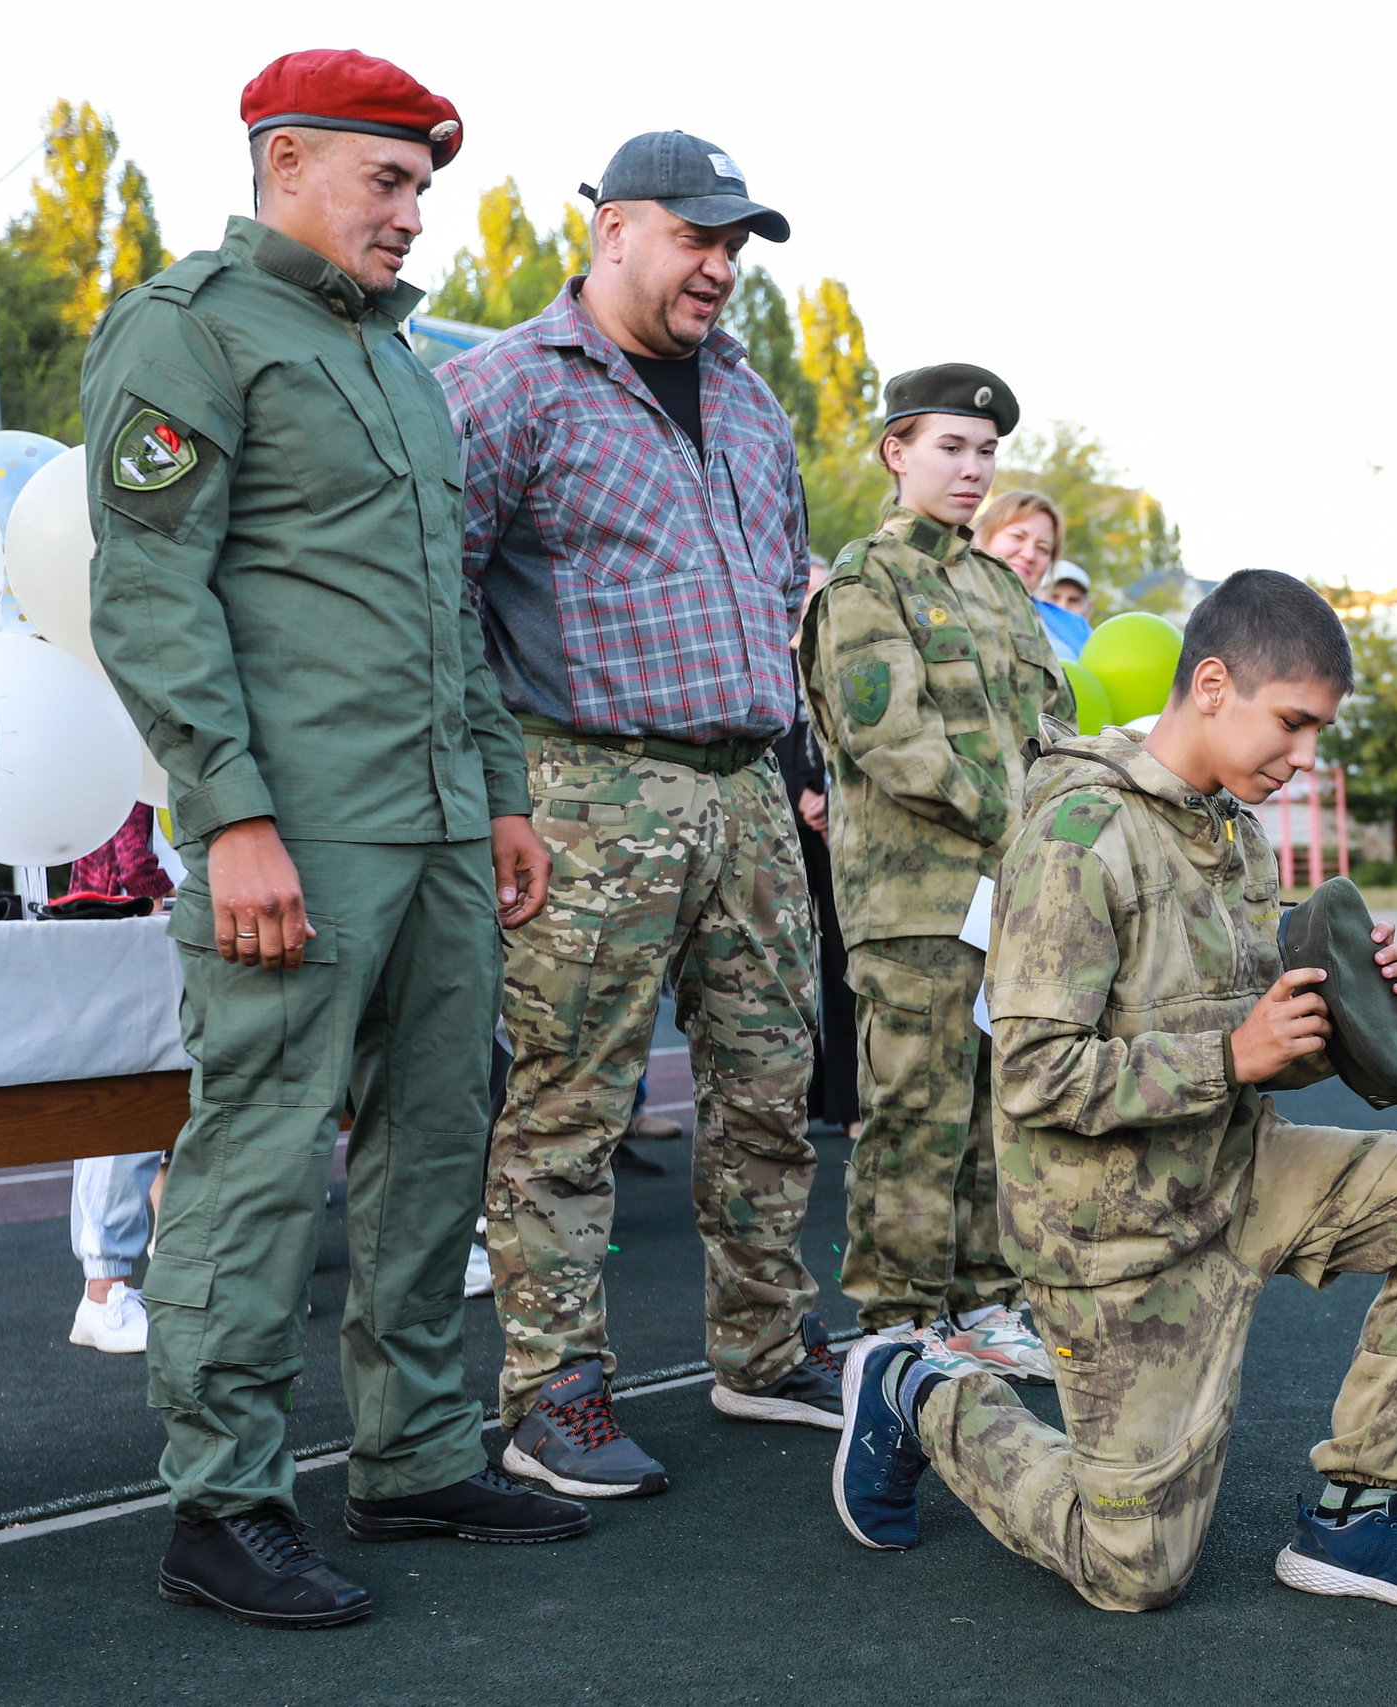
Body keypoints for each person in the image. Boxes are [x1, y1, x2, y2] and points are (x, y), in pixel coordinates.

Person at [84, 49, 586, 1630]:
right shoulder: (192, 327)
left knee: (435, 1143)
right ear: (286, 160)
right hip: (297, 825)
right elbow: (149, 591)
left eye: (420, 187)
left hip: (434, 828)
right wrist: (229, 813)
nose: (412, 213)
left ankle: (415, 1451)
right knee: (259, 1151)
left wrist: (498, 790)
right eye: (389, 180)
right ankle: (224, 1499)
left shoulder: (400, 360)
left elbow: (447, 608)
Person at [830, 570, 1397, 1617]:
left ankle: (1360, 1514)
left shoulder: (1233, 830)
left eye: (1318, 731)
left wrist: (1339, 1008)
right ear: (1211, 685)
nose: (1305, 756)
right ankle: (921, 1391)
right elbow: (1033, 1074)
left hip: (1236, 1169)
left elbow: (1251, 1038)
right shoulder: (1076, 837)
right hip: (1113, 1232)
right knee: (1133, 1571)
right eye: (1292, 722)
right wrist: (1234, 1056)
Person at [437, 129, 838, 1502]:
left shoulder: (751, 399)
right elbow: (439, 598)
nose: (719, 267)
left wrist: (789, 756)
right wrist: (497, 791)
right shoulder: (505, 388)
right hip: (586, 786)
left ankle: (765, 1348)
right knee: (572, 1103)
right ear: (612, 229)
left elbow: (775, 583)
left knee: (771, 1084)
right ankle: (552, 1392)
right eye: (695, 238)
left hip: (747, 785)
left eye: (734, 246)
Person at [799, 364, 1074, 1383]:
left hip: (1009, 898)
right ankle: (901, 1319)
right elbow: (895, 742)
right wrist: (1024, 826)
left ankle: (985, 1302)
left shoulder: (1000, 590)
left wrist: (1065, 828)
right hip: (917, 899)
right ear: (896, 452)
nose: (972, 469)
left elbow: (1054, 729)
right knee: (915, 1113)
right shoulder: (866, 582)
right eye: (950, 447)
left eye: (986, 452)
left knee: (1000, 1110)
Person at [64, 804, 178, 1354]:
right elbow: (130, 851)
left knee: (145, 1102)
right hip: (131, 922)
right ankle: (105, 1291)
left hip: (137, 920)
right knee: (127, 1099)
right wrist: (162, 890)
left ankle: (119, 1281)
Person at [778, 554, 860, 1133]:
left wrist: (832, 798)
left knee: (845, 966)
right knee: (783, 966)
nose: (811, 601)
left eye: (821, 591)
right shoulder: (765, 660)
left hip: (839, 829)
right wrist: (801, 793)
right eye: (803, 589)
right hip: (780, 828)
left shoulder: (846, 660)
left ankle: (850, 1101)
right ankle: (795, 1098)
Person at [979, 488, 1089, 660]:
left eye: (1042, 548)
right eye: (1018, 536)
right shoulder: (945, 605)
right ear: (981, 536)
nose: (1029, 555)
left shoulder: (1077, 627)